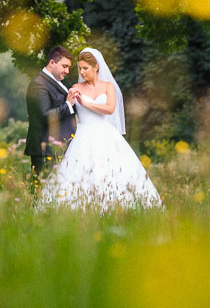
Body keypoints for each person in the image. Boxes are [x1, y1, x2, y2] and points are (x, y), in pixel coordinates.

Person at [38, 48, 162, 210]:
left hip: (106, 135)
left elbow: (110, 109)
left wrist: (85, 103)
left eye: (85, 68)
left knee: (113, 170)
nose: (82, 72)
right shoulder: (76, 87)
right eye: (80, 68)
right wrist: (70, 101)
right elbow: (67, 110)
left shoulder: (108, 87)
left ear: (96, 67)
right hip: (83, 137)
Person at [25, 46, 77, 179]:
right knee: (41, 192)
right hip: (45, 149)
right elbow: (45, 116)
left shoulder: (56, 82)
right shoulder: (39, 85)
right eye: (64, 66)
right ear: (52, 62)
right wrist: (68, 104)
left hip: (58, 147)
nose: (67, 71)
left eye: (68, 67)